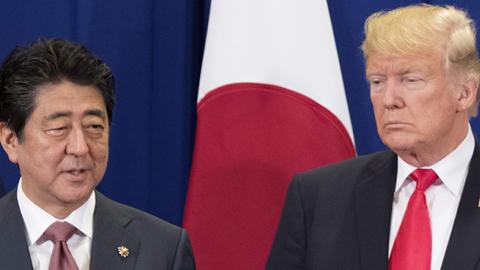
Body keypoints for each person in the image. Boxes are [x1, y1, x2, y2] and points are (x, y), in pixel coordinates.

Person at [266, 4, 480, 270]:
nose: (389, 100)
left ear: (464, 93)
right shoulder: (318, 197)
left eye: (410, 80)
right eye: (377, 82)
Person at [0, 38, 195, 270]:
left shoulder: (163, 249)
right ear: (10, 140)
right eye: (59, 129)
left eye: (94, 126)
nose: (80, 147)